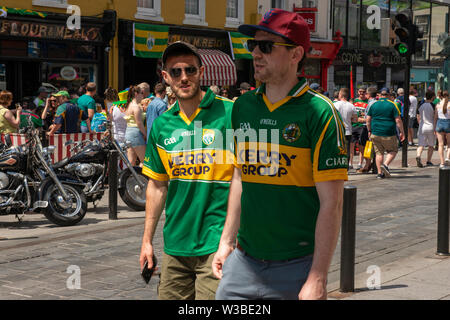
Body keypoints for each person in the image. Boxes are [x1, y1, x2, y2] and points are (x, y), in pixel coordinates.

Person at [212, 9, 348, 300]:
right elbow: (240, 175)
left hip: (296, 267)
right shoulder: (242, 106)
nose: (256, 54)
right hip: (243, 263)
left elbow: (332, 204)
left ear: (296, 54)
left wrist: (318, 277)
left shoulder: (320, 112)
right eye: (253, 46)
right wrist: (226, 241)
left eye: (266, 46)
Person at [139, 41, 234, 300]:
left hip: (217, 244)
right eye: (176, 71)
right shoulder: (162, 125)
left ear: (201, 72)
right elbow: (157, 186)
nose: (184, 77)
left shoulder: (231, 114)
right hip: (175, 246)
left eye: (190, 70)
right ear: (166, 77)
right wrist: (147, 240)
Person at [366, 88, 405, 179]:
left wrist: (369, 130)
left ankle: (379, 173)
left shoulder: (374, 105)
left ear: (380, 95)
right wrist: (402, 132)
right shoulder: (392, 105)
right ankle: (386, 164)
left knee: (379, 153)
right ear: (388, 95)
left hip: (375, 132)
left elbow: (368, 120)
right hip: (388, 132)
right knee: (393, 150)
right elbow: (398, 120)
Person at [124, 84, 147, 166]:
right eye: (141, 93)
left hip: (128, 133)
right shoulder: (136, 107)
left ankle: (129, 178)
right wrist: (146, 134)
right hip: (135, 133)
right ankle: (142, 178)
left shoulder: (129, 105)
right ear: (136, 94)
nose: (143, 95)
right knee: (144, 160)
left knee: (131, 162)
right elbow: (139, 123)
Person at [334, 88, 357, 169]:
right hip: (348, 131)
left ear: (340, 95)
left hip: (337, 130)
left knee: (337, 149)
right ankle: (346, 167)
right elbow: (355, 120)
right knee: (346, 150)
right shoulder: (352, 106)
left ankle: (337, 166)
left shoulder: (335, 105)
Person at [416, 90, 436, 167]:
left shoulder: (421, 105)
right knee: (431, 145)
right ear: (433, 97)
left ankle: (418, 156)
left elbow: (418, 117)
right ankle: (428, 161)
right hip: (431, 126)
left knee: (421, 144)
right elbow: (435, 116)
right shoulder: (433, 105)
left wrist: (420, 123)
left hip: (422, 126)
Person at [352, 87, 369, 171]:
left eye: (363, 92)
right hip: (354, 125)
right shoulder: (355, 101)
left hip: (363, 125)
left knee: (361, 145)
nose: (361, 93)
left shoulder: (368, 102)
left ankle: (360, 163)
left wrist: (365, 120)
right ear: (358, 92)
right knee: (352, 145)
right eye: (360, 92)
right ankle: (350, 163)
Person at [435, 91, 450, 168]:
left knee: (440, 144)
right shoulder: (449, 104)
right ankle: (448, 157)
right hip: (448, 123)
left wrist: (435, 127)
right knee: (449, 143)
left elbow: (435, 117)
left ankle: (442, 162)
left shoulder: (438, 105)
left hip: (439, 123)